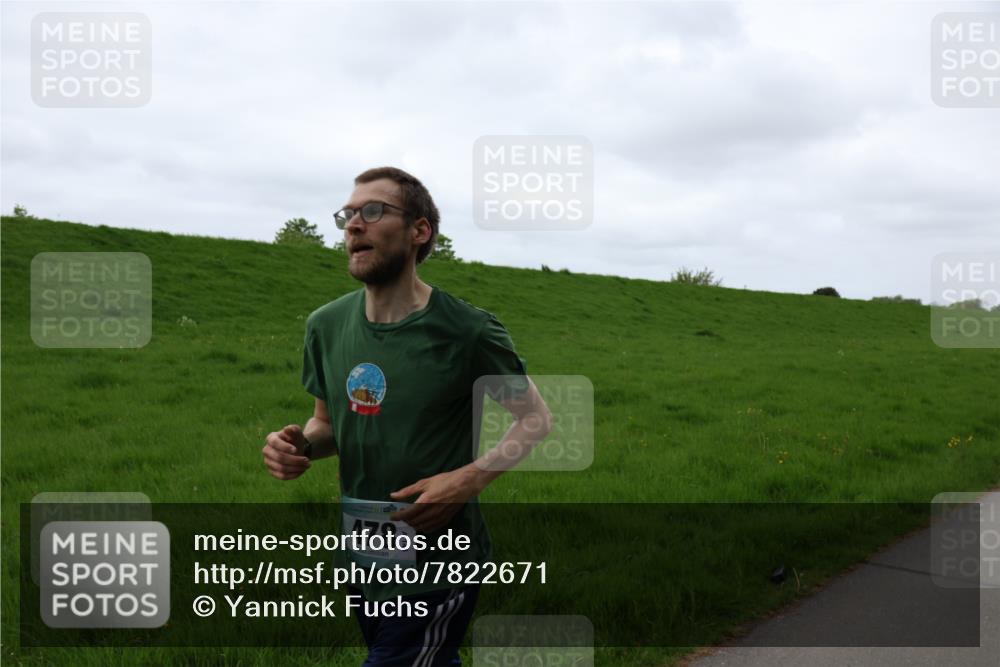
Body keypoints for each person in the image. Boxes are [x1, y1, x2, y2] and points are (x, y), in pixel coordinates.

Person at [262, 166, 553, 666]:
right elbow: (327, 424)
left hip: (442, 559)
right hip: (363, 556)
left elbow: (536, 419)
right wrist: (299, 447)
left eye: (373, 211)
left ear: (420, 231)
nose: (354, 225)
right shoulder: (326, 326)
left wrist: (467, 480)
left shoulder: (467, 331)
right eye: (348, 215)